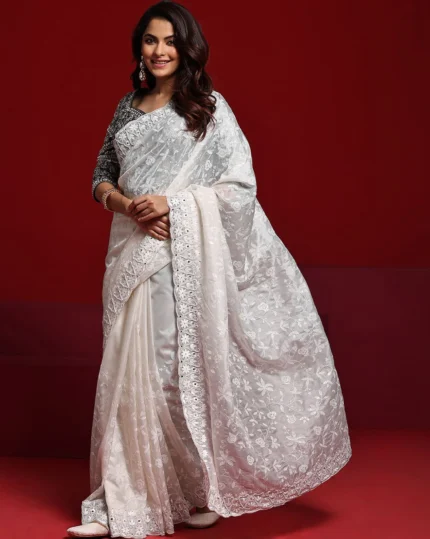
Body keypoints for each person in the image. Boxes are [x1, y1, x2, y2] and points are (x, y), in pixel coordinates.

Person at [66, 1, 352, 537]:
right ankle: (121, 500)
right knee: (126, 373)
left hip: (183, 258)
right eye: (150, 40)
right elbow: (101, 174)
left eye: (170, 41)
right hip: (132, 253)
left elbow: (239, 187)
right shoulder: (128, 108)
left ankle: (199, 490)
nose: (160, 51)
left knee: (172, 373)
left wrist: (174, 205)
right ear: (139, 49)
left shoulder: (207, 108)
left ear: (187, 48)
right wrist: (126, 205)